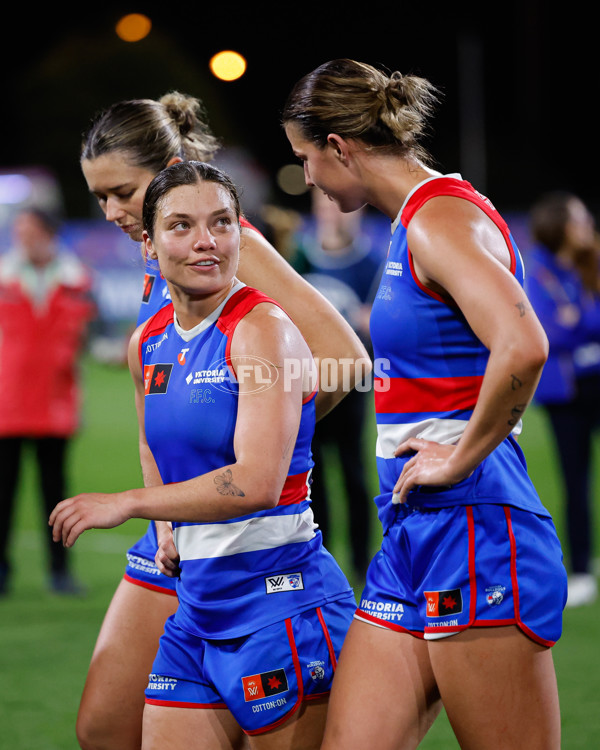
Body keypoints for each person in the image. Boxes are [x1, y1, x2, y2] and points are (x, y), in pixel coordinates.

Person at [282, 58, 567, 750]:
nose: (308, 177)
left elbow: (524, 344)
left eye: (305, 158)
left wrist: (459, 456)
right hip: (412, 533)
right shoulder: (414, 221)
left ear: (340, 147)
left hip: (475, 533)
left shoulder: (439, 218)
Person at [75, 92, 369, 750]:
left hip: (245, 532)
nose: (112, 212)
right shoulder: (160, 265)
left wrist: (259, 434)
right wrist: (165, 509)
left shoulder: (230, 250)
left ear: (172, 168)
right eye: (98, 198)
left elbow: (347, 359)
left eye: (121, 191)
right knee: (105, 726)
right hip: (179, 526)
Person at [286, 188, 384, 579]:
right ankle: (321, 559)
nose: (332, 213)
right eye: (322, 205)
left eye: (338, 206)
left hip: (353, 384)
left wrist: (369, 321)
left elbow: (381, 322)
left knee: (354, 471)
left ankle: (363, 565)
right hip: (308, 382)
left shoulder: (372, 263)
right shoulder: (298, 256)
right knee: (313, 475)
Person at [0, 207, 95, 595]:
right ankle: (2, 572)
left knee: (55, 495)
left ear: (49, 233)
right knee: (3, 492)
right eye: (19, 230)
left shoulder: (78, 280)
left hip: (57, 402)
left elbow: (94, 334)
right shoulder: (4, 278)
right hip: (7, 402)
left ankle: (60, 571)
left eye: (30, 230)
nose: (23, 237)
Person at [525, 191, 600, 608]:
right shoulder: (539, 273)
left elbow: (577, 325)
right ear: (559, 227)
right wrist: (586, 321)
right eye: (578, 218)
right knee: (576, 481)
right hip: (566, 395)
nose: (587, 223)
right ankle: (583, 568)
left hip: (596, 382)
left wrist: (581, 320)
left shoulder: (593, 263)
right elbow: (551, 333)